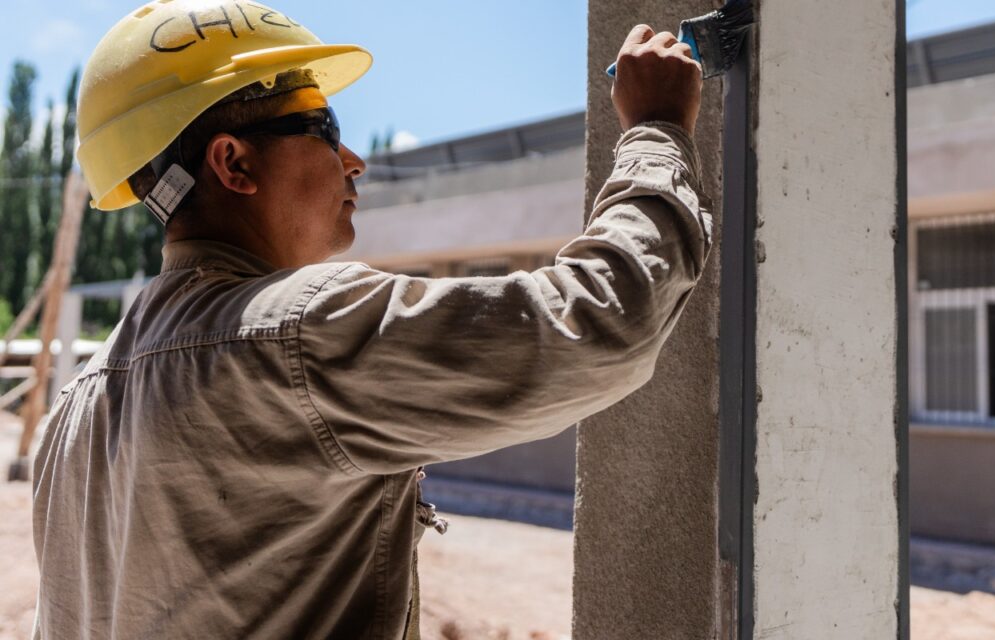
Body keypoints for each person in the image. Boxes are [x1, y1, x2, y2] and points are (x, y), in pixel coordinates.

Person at [32, 1, 707, 638]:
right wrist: (656, 132)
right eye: (322, 129)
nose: (352, 160)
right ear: (233, 162)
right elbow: (601, 322)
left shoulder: (75, 407)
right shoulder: (299, 335)